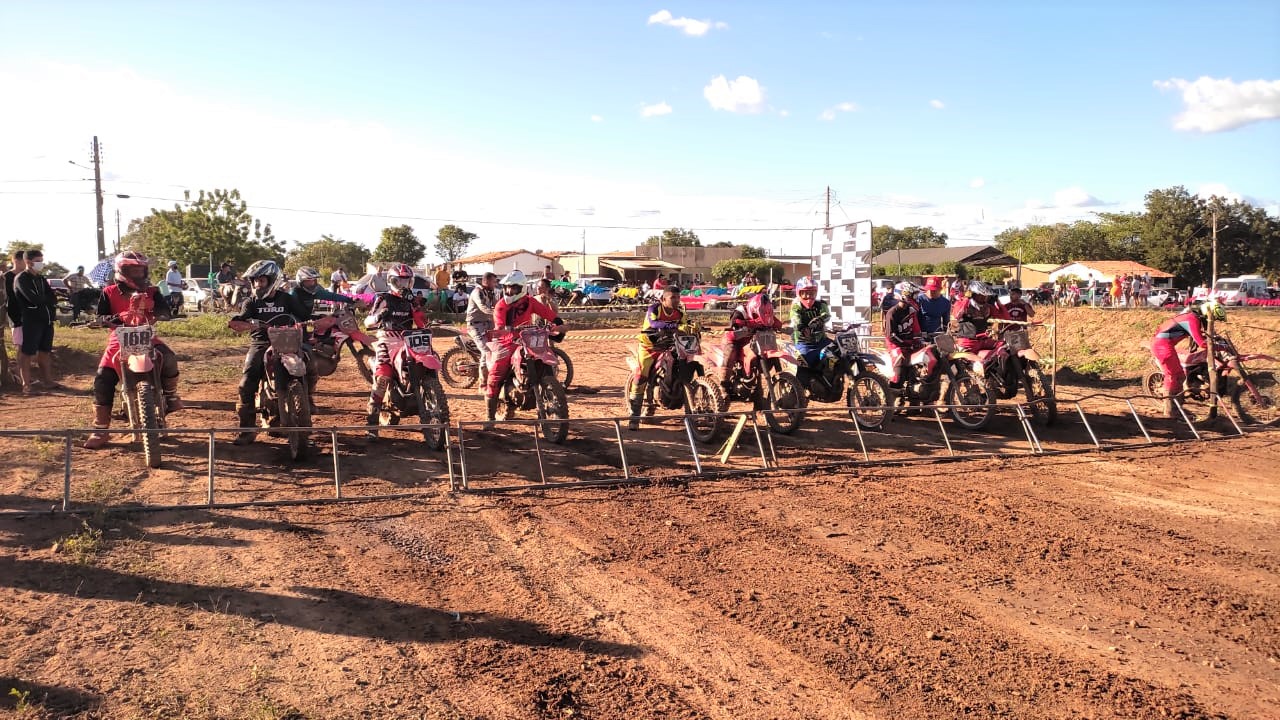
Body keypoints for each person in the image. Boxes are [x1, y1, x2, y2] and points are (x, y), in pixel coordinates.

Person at [83, 252, 183, 449]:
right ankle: (100, 428)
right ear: (122, 270)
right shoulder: (109, 291)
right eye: (133, 270)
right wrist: (106, 319)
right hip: (118, 339)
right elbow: (102, 314)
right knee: (103, 378)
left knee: (169, 357)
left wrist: (157, 310)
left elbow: (165, 312)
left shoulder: (153, 291)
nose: (138, 274)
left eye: (141, 270)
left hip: (147, 336)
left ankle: (171, 396)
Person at [226, 260, 316, 445]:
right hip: (261, 341)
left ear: (272, 279)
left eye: (261, 280)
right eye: (255, 281)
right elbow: (240, 319)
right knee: (246, 384)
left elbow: (305, 315)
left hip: (288, 340)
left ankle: (307, 399)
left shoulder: (287, 298)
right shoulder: (251, 301)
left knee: (311, 363)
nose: (257, 284)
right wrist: (243, 323)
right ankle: (247, 430)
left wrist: (314, 321)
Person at [484, 270, 564, 425]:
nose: (509, 291)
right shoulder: (501, 305)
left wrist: (558, 322)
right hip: (507, 342)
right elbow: (500, 325)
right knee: (495, 375)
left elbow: (546, 313)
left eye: (513, 288)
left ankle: (548, 386)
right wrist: (508, 330)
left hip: (528, 339)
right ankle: (489, 417)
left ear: (521, 288)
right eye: (507, 287)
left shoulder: (529, 301)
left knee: (545, 354)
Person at [362, 263, 427, 438]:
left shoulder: (411, 301)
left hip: (408, 339)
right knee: (383, 376)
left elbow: (423, 324)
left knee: (427, 365)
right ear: (392, 281)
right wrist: (379, 315)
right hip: (387, 339)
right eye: (400, 282)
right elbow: (367, 323)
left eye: (407, 282)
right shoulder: (383, 298)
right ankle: (372, 424)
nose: (404, 285)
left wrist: (417, 307)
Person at [292, 266, 358, 412]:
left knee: (334, 317)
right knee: (307, 364)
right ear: (301, 282)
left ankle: (326, 343)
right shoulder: (295, 293)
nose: (313, 283)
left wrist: (349, 299)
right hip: (300, 326)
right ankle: (307, 397)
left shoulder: (317, 290)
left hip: (312, 319)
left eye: (314, 280)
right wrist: (321, 312)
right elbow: (300, 312)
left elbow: (331, 296)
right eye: (309, 281)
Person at [626, 284, 690, 429]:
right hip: (650, 347)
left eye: (678, 297)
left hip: (670, 345)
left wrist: (692, 327)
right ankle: (634, 417)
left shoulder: (679, 313)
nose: (676, 300)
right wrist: (671, 326)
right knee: (641, 376)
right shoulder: (654, 309)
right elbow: (654, 323)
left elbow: (685, 324)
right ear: (663, 299)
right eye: (672, 297)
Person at [1151, 301, 1223, 417]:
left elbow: (1200, 336)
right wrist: (1221, 347)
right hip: (1162, 345)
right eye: (1213, 319)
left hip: (1164, 343)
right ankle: (1171, 412)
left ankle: (1176, 408)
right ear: (1206, 315)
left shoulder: (1192, 318)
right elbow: (1201, 343)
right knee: (1175, 376)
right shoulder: (1192, 320)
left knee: (1179, 376)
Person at [11, 249, 60, 394]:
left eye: (41, 260)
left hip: (47, 320)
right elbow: (33, 298)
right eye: (38, 260)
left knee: (45, 351)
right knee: (27, 353)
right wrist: (45, 300)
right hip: (31, 321)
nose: (41, 263)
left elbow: (52, 298)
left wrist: (46, 301)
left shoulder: (40, 278)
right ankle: (26, 385)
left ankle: (48, 381)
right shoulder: (21, 279)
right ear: (28, 262)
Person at [719, 292, 782, 395]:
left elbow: (775, 322)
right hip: (735, 340)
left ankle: (757, 394)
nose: (764, 314)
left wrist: (783, 327)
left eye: (766, 312)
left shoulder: (766, 312)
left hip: (753, 340)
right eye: (761, 312)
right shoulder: (741, 311)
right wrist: (745, 324)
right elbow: (734, 323)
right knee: (731, 354)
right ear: (754, 309)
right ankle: (724, 386)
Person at [789, 276, 832, 393]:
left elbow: (826, 314)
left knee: (837, 352)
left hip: (822, 340)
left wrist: (820, 319)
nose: (809, 297)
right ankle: (798, 393)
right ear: (799, 293)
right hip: (804, 343)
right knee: (803, 364)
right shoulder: (796, 306)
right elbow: (795, 318)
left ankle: (830, 377)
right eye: (805, 293)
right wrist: (802, 327)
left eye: (812, 293)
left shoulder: (820, 304)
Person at [883, 281, 924, 394]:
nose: (916, 298)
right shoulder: (892, 313)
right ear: (904, 295)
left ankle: (916, 395)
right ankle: (894, 395)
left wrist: (920, 340)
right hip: (895, 344)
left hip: (908, 343)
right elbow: (891, 336)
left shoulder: (911, 312)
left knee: (923, 358)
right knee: (900, 361)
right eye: (913, 295)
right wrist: (907, 343)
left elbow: (916, 330)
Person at [466, 272, 499, 384]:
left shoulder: (490, 292)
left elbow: (497, 304)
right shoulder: (477, 292)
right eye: (493, 281)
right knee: (486, 351)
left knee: (500, 344)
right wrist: (497, 314)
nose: (495, 284)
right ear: (486, 281)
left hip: (488, 323)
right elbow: (483, 308)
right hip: (475, 325)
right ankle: (483, 381)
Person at [949, 280, 999, 353]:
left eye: (985, 296)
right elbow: (957, 316)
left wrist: (998, 302)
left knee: (1003, 348)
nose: (984, 298)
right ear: (973, 294)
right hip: (967, 342)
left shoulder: (987, 307)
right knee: (978, 362)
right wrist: (966, 299)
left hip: (983, 341)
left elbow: (1005, 318)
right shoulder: (961, 303)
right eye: (981, 295)